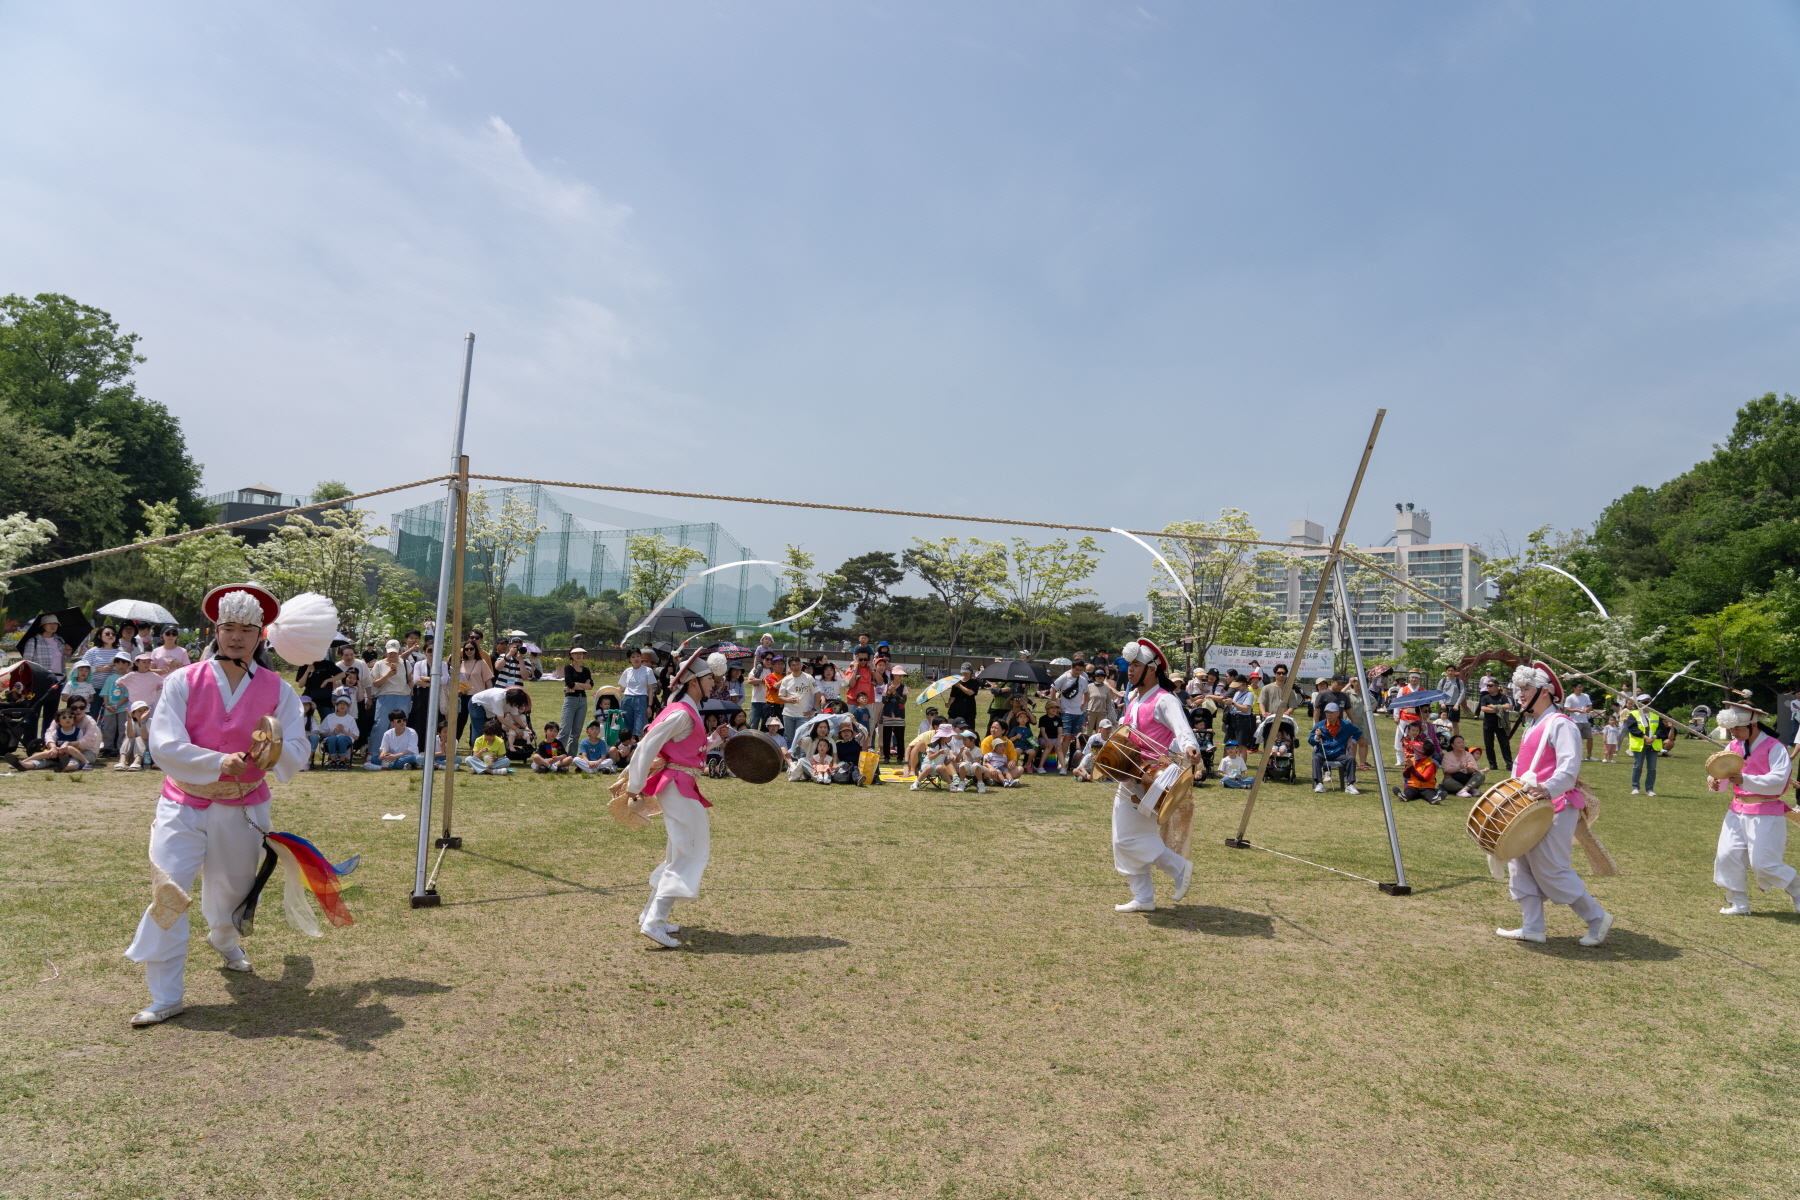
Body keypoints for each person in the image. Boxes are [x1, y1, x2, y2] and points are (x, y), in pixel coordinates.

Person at [122, 584, 326, 1027]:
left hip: (243, 807)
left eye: (246, 630)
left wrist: (272, 753)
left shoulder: (278, 689)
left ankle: (224, 937)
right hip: (182, 803)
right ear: (216, 630)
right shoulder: (183, 680)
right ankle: (165, 995)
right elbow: (164, 743)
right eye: (227, 627)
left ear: (261, 635)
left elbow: (297, 746)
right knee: (169, 892)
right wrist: (216, 761)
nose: (236, 637)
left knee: (232, 891)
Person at [616, 649, 735, 947]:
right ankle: (655, 921)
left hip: (681, 784)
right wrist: (634, 785)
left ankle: (651, 916)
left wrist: (715, 739)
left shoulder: (684, 708)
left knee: (679, 851)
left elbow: (684, 748)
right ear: (693, 680)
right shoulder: (682, 711)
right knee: (690, 851)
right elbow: (647, 745)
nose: (714, 683)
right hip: (678, 786)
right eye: (710, 678)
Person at [1494, 662, 1614, 948]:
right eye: (1518, 689)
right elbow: (1522, 768)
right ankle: (1532, 926)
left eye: (1525, 689)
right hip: (1528, 808)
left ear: (1544, 692)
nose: (1519, 694)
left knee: (1551, 868)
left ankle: (1597, 918)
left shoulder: (1561, 723)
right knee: (1519, 865)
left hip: (1556, 806)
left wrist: (1547, 788)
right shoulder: (1532, 724)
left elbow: (1569, 768)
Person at [1109, 638, 1199, 914]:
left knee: (1128, 837)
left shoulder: (1165, 699)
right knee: (1123, 836)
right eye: (1129, 665)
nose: (1130, 670)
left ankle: (1179, 868)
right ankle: (1143, 897)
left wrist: (1190, 747)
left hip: (1153, 779)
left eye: (1136, 665)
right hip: (1130, 775)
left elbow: (1182, 728)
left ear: (1152, 669)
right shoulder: (1134, 698)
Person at [1709, 704, 1800, 916]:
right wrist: (1714, 780)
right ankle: (1738, 902)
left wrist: (1745, 779)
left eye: (1738, 729)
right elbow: (1719, 769)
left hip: (1766, 812)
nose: (1734, 734)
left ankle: (1798, 890)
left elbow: (1779, 779)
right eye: (1732, 730)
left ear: (1753, 725)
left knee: (1764, 864)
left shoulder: (1775, 747)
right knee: (1727, 855)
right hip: (1736, 810)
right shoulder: (1733, 745)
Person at [1309, 702, 1362, 793]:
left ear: (1338, 713)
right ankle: (1319, 783)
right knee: (1316, 758)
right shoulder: (1320, 725)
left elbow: (1358, 732)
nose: (1329, 715)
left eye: (1331, 713)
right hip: (1323, 753)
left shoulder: (1346, 725)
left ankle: (1350, 785)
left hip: (1339, 753)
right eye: (1327, 712)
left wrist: (1352, 741)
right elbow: (1310, 740)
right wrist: (1317, 737)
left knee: (1351, 759)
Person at [19, 705, 89, 772]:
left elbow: (79, 745)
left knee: (74, 760)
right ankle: (24, 763)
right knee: (44, 758)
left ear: (73, 720)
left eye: (70, 717)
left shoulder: (78, 731)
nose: (68, 719)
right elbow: (52, 743)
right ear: (58, 722)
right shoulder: (56, 732)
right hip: (56, 755)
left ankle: (66, 767)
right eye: (64, 717)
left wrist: (66, 750)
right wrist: (57, 750)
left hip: (71, 755)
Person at [1622, 694, 1664, 795]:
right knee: (1637, 766)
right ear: (1639, 703)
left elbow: (1661, 729)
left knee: (1652, 768)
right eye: (1644, 702)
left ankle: (1649, 789)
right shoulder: (1634, 714)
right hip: (1640, 744)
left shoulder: (1656, 714)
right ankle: (1635, 787)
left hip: (1653, 745)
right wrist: (1645, 737)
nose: (1646, 704)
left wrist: (1653, 738)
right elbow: (1632, 728)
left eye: (1648, 702)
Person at [1052, 657, 1088, 772]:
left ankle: (1069, 760)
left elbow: (1087, 693)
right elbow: (1052, 689)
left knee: (1074, 736)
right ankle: (1061, 763)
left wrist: (1083, 704)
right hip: (1066, 712)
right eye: (1076, 669)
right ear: (1071, 668)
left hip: (1079, 713)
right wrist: (1055, 706)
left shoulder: (1083, 679)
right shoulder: (1065, 677)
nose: (1078, 672)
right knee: (1065, 736)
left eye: (1080, 670)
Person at [457, 642, 493, 744]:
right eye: (466, 649)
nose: (469, 651)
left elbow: (488, 680)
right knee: (460, 721)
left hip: (478, 697)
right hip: (464, 696)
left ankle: (475, 745)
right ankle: (454, 744)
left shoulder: (481, 662)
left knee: (476, 723)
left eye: (471, 649)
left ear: (475, 650)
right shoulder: (460, 663)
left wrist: (490, 695)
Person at [1393, 724, 1440, 803]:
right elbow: (1406, 775)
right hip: (1413, 785)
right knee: (1409, 791)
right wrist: (1408, 767)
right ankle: (1405, 796)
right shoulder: (1412, 759)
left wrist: (1411, 768)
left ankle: (1434, 799)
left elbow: (1424, 779)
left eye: (1418, 749)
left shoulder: (1430, 764)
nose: (1416, 750)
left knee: (1429, 794)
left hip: (1427, 787)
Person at [1477, 676, 1515, 771]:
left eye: (1490, 685)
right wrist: (1499, 709)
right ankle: (1493, 764)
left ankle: (1509, 764)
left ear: (1496, 687)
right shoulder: (1485, 697)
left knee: (1504, 744)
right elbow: (1483, 709)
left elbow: (1508, 706)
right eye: (1487, 685)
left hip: (1500, 724)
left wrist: (1493, 707)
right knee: (1489, 744)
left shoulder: (1503, 697)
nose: (1488, 687)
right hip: (1488, 724)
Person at [560, 646, 593, 749]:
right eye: (576, 653)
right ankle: (556, 756)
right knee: (564, 730)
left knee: (576, 732)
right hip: (570, 700)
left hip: (582, 700)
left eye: (581, 653)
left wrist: (577, 685)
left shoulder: (586, 670)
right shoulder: (568, 668)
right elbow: (570, 683)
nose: (579, 655)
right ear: (571, 655)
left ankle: (571, 757)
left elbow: (590, 686)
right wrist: (584, 685)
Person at [777, 656, 815, 745]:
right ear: (790, 667)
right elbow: (780, 696)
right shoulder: (786, 679)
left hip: (803, 715)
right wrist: (788, 700)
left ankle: (802, 758)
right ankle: (789, 757)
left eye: (798, 664)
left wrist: (813, 709)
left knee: (802, 738)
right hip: (788, 714)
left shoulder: (809, 678)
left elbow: (818, 693)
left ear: (801, 665)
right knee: (789, 738)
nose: (796, 667)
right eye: (793, 665)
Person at [618, 648, 656, 737]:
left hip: (641, 700)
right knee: (627, 728)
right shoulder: (627, 671)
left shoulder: (648, 671)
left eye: (638, 656)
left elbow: (650, 690)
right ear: (629, 659)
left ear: (641, 657)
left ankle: (641, 749)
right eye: (633, 657)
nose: (636, 659)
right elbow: (622, 688)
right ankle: (630, 749)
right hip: (627, 700)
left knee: (641, 728)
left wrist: (649, 706)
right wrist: (605, 690)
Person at [1437, 734, 1486, 800]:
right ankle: (1470, 789)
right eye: (1459, 743)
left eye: (1462, 742)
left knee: (1481, 774)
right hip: (1454, 780)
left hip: (1467, 779)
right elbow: (1447, 771)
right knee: (1447, 782)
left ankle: (1464, 790)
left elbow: (1473, 772)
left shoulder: (1468, 755)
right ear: (1452, 745)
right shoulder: (1447, 756)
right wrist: (1459, 767)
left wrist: (1469, 768)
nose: (1462, 744)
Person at [318, 691, 359, 769]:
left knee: (341, 738)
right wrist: (333, 733)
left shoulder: (350, 719)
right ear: (336, 705)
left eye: (345, 704)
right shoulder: (329, 717)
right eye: (340, 704)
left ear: (348, 706)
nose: (342, 706)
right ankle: (333, 761)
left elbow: (356, 737)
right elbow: (322, 733)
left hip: (345, 739)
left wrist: (344, 732)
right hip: (331, 738)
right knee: (333, 738)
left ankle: (342, 762)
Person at [115, 700, 153, 771]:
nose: (143, 713)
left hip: (146, 756)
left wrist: (142, 721)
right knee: (129, 738)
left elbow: (145, 737)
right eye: (139, 711)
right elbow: (130, 735)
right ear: (133, 714)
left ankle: (137, 761)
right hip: (131, 754)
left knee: (139, 738)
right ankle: (122, 760)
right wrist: (129, 719)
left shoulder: (151, 722)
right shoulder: (129, 722)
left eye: (145, 710)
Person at [1073, 718, 1114, 782]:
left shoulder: (1114, 739)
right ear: (1100, 728)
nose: (1108, 731)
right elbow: (1085, 754)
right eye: (1106, 729)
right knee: (1076, 770)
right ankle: (1088, 777)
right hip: (1090, 763)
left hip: (1104, 764)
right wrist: (1083, 765)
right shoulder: (1093, 738)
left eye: (1109, 728)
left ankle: (1090, 777)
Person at [1564, 681, 1596, 761]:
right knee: (1577, 739)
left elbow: (1590, 706)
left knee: (1590, 738)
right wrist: (1577, 710)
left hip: (1585, 720)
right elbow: (1566, 709)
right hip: (1575, 721)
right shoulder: (1570, 697)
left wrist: (1586, 709)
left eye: (1581, 687)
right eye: (1579, 687)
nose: (1581, 688)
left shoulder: (1585, 696)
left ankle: (1589, 756)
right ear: (1574, 688)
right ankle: (1578, 756)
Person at [946, 662, 984, 730]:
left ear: (971, 672)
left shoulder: (974, 682)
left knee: (969, 729)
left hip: (968, 708)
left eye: (967, 672)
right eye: (963, 672)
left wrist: (959, 685)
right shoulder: (956, 682)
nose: (965, 674)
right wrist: (949, 703)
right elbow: (953, 696)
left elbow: (970, 693)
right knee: (954, 728)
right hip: (956, 708)